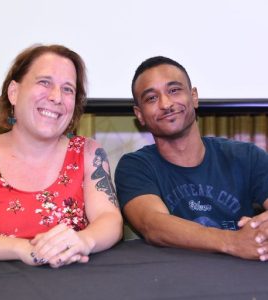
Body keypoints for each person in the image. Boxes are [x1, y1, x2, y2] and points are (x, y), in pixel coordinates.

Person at [0, 44, 122, 268]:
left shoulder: (88, 152)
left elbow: (110, 220)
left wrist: (85, 241)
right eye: (44, 82)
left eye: (68, 89)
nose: (56, 97)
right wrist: (23, 249)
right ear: (14, 92)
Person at [114, 56, 268, 261]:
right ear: (139, 114)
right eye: (151, 98)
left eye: (174, 90)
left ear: (194, 96)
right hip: (173, 284)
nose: (166, 104)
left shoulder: (246, 156)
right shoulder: (135, 167)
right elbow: (154, 225)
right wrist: (233, 242)